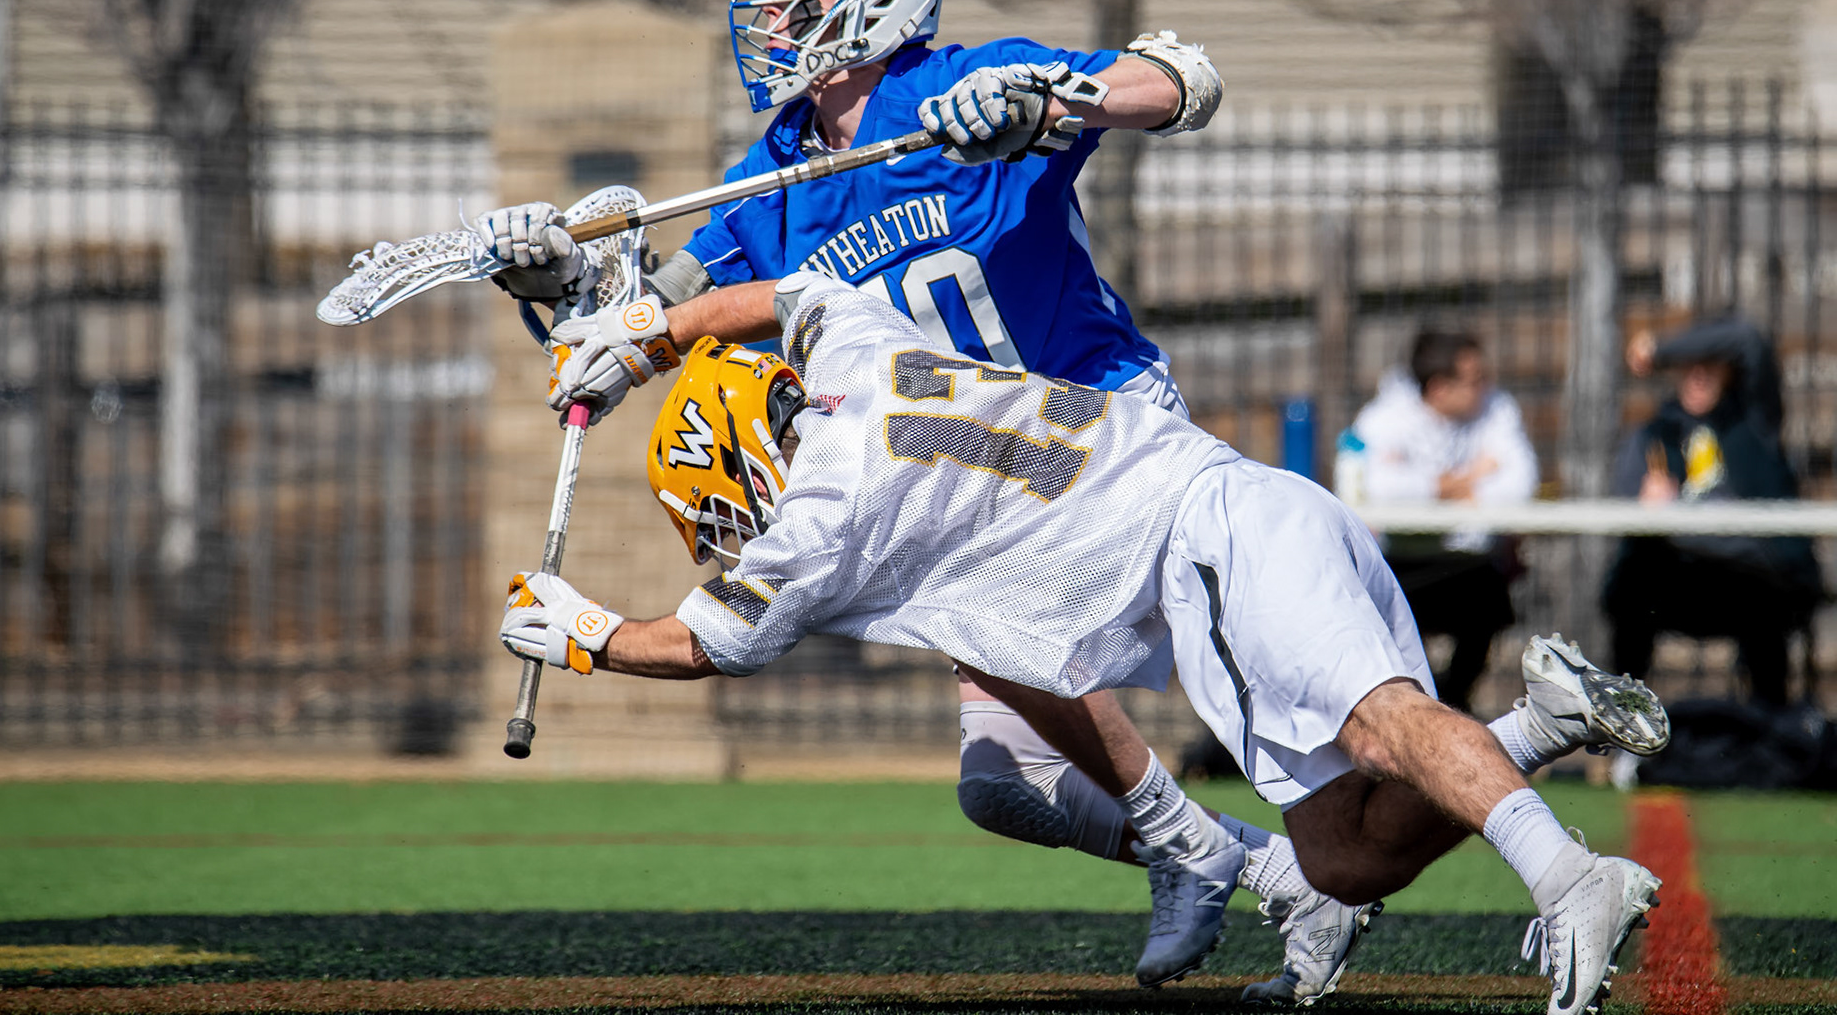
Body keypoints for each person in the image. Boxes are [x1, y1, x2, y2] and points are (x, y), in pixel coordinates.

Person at [471, 0, 1382, 997]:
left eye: (798, 3)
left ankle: (1287, 834)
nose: (770, 27)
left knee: (1280, 680)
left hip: (1091, 423)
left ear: (875, 5)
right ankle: (1263, 866)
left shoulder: (960, 85)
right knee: (1000, 785)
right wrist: (558, 285)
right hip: (960, 460)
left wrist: (1043, 97)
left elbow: (1181, 80)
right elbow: (642, 318)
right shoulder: (779, 169)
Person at [498, 274, 1670, 1015]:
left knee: (1378, 723)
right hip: (1231, 526)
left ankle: (1572, 876)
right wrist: (657, 333)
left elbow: (712, 644)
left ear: (746, 452)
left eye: (719, 502)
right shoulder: (863, 353)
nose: (728, 531)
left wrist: (584, 631)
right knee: (1346, 859)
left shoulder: (827, 510)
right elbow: (797, 291)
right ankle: (1539, 724)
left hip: (1213, 538)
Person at [1605, 314, 1824, 707]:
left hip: (1748, 578)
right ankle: (1622, 731)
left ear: (1730, 371)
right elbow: (1627, 512)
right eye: (1689, 364)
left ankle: (1770, 732)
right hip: (1680, 578)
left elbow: (1747, 338)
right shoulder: (1654, 434)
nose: (1699, 374)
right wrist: (1646, 511)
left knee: (1765, 599)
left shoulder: (1755, 422)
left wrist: (1661, 350)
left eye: (1711, 363)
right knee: (1630, 587)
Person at [1342, 331, 1538, 709]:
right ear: (1439, 388)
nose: (1485, 387)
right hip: (1401, 563)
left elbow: (1521, 484)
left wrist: (1432, 488)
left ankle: (1450, 706)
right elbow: (1380, 490)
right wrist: (1470, 480)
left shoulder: (1497, 408)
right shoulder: (1384, 417)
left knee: (1490, 607)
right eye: (1474, 379)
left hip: (1471, 561)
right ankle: (1429, 710)